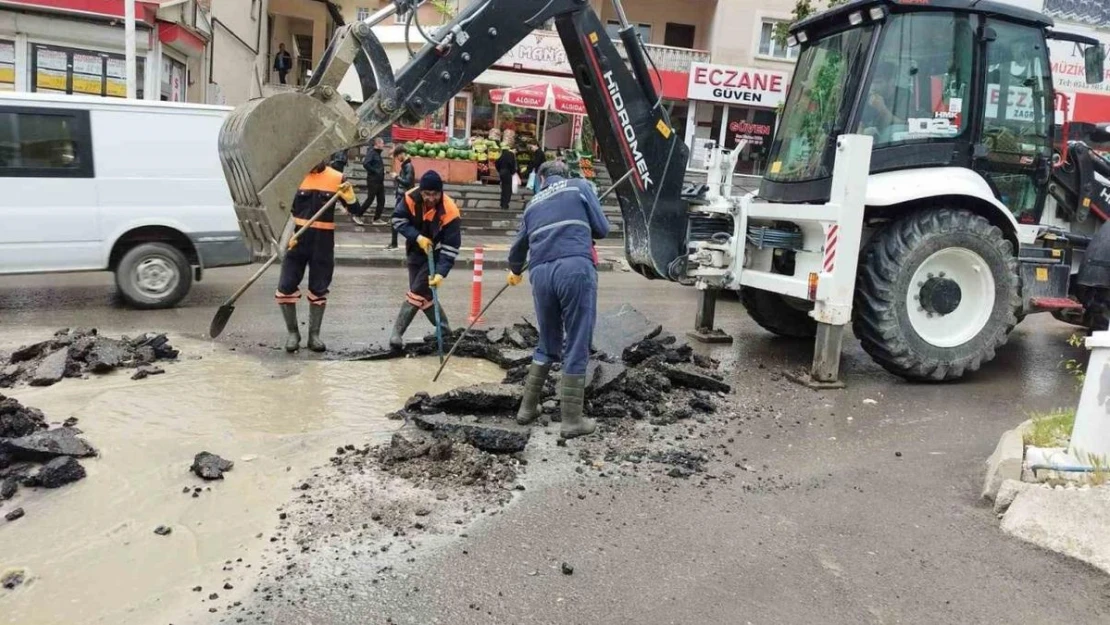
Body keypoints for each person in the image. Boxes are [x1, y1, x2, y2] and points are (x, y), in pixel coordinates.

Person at [506, 160, 610, 439]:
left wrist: (515, 270)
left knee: (548, 340)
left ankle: (527, 410)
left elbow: (517, 250)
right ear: (565, 174)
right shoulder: (580, 187)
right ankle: (572, 421)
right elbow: (602, 229)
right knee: (576, 339)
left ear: (541, 179)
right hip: (574, 268)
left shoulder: (532, 205)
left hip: (540, 274)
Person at [276, 161, 364, 353]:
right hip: (296, 241)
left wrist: (350, 198)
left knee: (319, 288)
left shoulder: (337, 178)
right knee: (285, 286)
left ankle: (314, 336)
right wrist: (284, 237)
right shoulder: (295, 176)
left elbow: (357, 212)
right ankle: (293, 334)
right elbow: (281, 210)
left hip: (322, 243)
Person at [388, 171, 462, 349]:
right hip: (415, 248)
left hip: (436, 253)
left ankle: (396, 333)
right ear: (421, 191)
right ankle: (444, 330)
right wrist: (418, 237)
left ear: (441, 192)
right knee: (424, 294)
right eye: (426, 194)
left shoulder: (450, 210)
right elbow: (397, 220)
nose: (430, 198)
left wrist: (441, 273)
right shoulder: (410, 198)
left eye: (435, 194)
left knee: (417, 290)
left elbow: (451, 247)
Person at [387, 144, 415, 250]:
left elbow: (408, 182)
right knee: (397, 220)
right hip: (402, 197)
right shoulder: (405, 166)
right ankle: (394, 243)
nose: (398, 159)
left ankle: (395, 244)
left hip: (405, 198)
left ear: (402, 154)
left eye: (398, 156)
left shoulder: (408, 167)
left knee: (396, 219)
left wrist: (396, 177)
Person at [361, 138, 386, 227]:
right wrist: (375, 171)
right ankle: (358, 214)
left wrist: (382, 172)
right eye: (382, 143)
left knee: (381, 200)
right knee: (370, 199)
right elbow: (365, 163)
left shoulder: (378, 154)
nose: (383, 145)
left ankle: (377, 218)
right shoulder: (372, 152)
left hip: (379, 181)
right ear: (377, 143)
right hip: (373, 181)